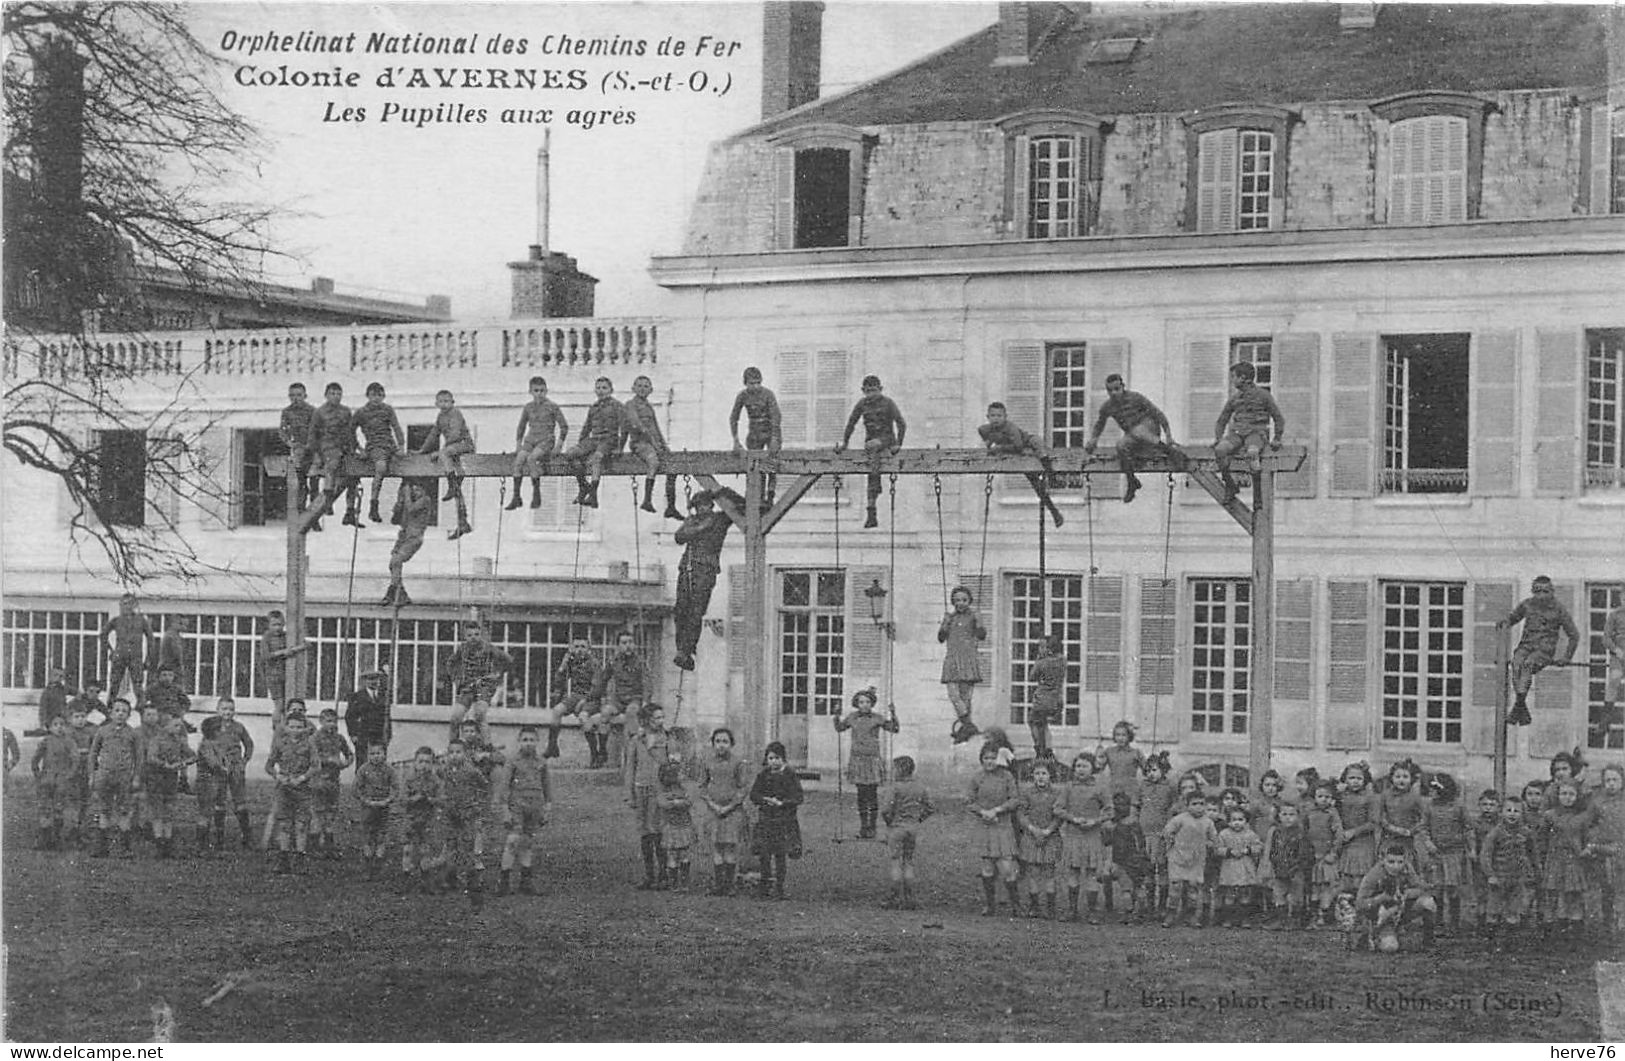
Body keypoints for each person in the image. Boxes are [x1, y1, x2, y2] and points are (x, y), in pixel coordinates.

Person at [1081, 373, 1181, 504]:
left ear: (1123, 387)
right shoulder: (1108, 406)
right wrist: (1093, 439)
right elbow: (1099, 424)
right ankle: (1132, 482)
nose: (1114, 393)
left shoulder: (1136, 398)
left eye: (1117, 389)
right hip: (1134, 437)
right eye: (1110, 390)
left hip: (1149, 430)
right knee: (1121, 446)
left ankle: (1169, 451)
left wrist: (1168, 436)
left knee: (1138, 431)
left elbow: (1158, 414)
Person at [1497, 575, 1581, 726]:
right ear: (1533, 591)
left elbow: (1574, 635)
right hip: (1526, 646)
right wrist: (1504, 622)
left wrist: (1567, 657)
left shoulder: (1559, 609)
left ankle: (1518, 707)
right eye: (1537, 591)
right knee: (1516, 664)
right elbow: (1513, 618)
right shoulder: (1527, 605)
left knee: (1528, 665)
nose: (1541, 595)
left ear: (1552, 592)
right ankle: (1521, 708)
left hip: (1544, 651)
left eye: (1545, 591)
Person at [672, 488, 740, 671]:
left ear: (711, 505)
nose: (703, 509)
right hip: (687, 568)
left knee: (695, 610)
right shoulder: (692, 522)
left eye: (706, 505)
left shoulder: (720, 519)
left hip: (706, 570)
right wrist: (699, 528)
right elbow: (679, 537)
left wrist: (723, 493)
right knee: (680, 610)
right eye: (699, 506)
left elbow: (742, 507)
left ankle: (685, 651)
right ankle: (682, 651)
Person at [834, 374, 907, 529]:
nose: (871, 394)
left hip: (886, 440)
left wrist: (898, 444)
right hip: (872, 444)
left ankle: (874, 497)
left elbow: (901, 423)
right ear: (863, 391)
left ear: (880, 389)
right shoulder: (862, 404)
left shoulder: (888, 403)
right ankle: (871, 509)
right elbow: (851, 423)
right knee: (871, 463)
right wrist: (845, 443)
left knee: (872, 447)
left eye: (874, 391)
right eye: (868, 391)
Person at [978, 400, 1064, 527]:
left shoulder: (1010, 428)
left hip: (1028, 446)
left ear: (1005, 417)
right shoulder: (984, 429)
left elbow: (1018, 446)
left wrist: (999, 448)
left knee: (1041, 453)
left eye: (999, 416)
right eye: (993, 416)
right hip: (1017, 455)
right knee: (1036, 485)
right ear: (988, 417)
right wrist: (991, 445)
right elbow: (987, 439)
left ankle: (1052, 477)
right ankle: (1054, 512)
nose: (996, 419)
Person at [1212, 360, 1286, 503]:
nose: (1232, 380)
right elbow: (1222, 420)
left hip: (1255, 434)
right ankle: (1230, 485)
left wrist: (1277, 438)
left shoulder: (1264, 395)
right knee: (1220, 450)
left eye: (1234, 377)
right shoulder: (1235, 398)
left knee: (1252, 453)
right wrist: (1218, 437)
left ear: (1244, 378)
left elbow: (1278, 418)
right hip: (1237, 434)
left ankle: (1257, 493)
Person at [832, 687, 899, 839]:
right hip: (857, 760)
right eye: (861, 702)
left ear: (872, 703)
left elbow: (894, 729)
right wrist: (836, 715)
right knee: (861, 795)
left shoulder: (877, 718)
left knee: (872, 795)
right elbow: (839, 728)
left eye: (868, 702)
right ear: (857, 703)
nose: (864, 705)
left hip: (872, 759)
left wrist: (893, 714)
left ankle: (872, 827)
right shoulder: (852, 718)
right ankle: (863, 827)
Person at [493, 726, 553, 897]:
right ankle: (504, 881)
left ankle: (525, 882)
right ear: (519, 742)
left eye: (532, 740)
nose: (528, 743)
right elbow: (504, 787)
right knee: (512, 840)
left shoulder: (541, 762)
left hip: (534, 806)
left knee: (527, 842)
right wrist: (505, 810)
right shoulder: (512, 761)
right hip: (516, 806)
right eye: (525, 740)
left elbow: (547, 787)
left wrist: (547, 807)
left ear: (537, 742)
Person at [967, 741, 1022, 918]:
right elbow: (969, 801)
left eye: (992, 758)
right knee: (987, 866)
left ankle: (1016, 904)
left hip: (1002, 825)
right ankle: (990, 905)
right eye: (986, 758)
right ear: (981, 759)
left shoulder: (1006, 776)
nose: (989, 762)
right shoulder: (977, 777)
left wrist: (998, 810)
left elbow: (1015, 799)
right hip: (985, 826)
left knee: (1007, 867)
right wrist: (983, 812)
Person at [1544, 779, 1600, 940]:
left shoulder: (1583, 817)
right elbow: (1542, 837)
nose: (1567, 797)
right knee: (1558, 896)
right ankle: (1559, 934)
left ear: (1577, 796)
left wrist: (1588, 848)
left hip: (1574, 861)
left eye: (1571, 794)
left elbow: (1591, 836)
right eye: (1563, 793)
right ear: (1557, 795)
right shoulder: (1550, 815)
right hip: (1555, 861)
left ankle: (1576, 935)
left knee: (1574, 897)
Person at [1420, 772, 1474, 936]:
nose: (1432, 792)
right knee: (1437, 887)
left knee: (1453, 888)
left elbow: (1468, 828)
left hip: (1454, 855)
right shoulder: (1429, 807)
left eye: (1435, 789)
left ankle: (1454, 923)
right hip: (1436, 854)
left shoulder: (1458, 807)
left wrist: (1470, 847)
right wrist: (1428, 842)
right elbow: (1423, 827)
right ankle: (1438, 921)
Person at [749, 740, 804, 900]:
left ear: (783, 759)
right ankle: (764, 885)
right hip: (766, 819)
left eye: (777, 758)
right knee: (765, 854)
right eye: (770, 758)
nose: (773, 762)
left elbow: (798, 797)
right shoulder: (763, 775)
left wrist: (783, 803)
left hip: (783, 821)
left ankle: (779, 887)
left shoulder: (790, 775)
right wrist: (765, 799)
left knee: (780, 854)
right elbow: (754, 794)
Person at [622, 374, 682, 520]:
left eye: (646, 386)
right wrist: (653, 443)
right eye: (640, 386)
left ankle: (671, 506)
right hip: (640, 443)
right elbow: (637, 425)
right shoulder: (630, 405)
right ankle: (647, 500)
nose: (642, 389)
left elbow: (655, 428)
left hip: (652, 443)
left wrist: (664, 446)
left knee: (672, 467)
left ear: (651, 390)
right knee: (653, 462)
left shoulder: (649, 407)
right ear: (633, 388)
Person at [265, 706, 318, 874]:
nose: (295, 730)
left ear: (305, 728)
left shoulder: (310, 744)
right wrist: (278, 776)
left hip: (302, 788)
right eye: (292, 727)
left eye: (299, 727)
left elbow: (316, 766)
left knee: (302, 824)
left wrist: (302, 778)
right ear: (286, 727)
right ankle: (283, 858)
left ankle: (300, 858)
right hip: (284, 787)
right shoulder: (280, 743)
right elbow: (269, 765)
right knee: (284, 824)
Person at [699, 727, 750, 897]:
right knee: (717, 847)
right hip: (713, 811)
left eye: (725, 742)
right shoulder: (707, 762)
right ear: (713, 744)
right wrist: (712, 804)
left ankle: (729, 884)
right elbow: (702, 786)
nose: (721, 745)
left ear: (731, 744)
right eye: (718, 741)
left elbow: (742, 788)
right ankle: (718, 884)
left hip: (732, 812)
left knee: (729, 847)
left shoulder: (738, 763)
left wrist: (729, 806)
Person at [1357, 844, 1438, 950]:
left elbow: (1421, 888)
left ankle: (1428, 941)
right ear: (1383, 860)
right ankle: (1373, 935)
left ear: (1405, 860)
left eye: (1400, 862)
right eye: (1391, 862)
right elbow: (1360, 904)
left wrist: (1407, 893)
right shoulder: (1374, 875)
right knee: (1390, 947)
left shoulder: (1407, 868)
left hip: (1401, 910)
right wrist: (1382, 898)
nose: (1396, 866)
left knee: (1428, 902)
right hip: (1380, 915)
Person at [506, 375, 569, 512]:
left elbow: (564, 426)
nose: (539, 394)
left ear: (546, 391)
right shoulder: (528, 407)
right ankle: (516, 497)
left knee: (531, 459)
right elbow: (521, 426)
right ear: (530, 392)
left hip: (546, 440)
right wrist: (518, 444)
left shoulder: (552, 406)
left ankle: (536, 494)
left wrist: (559, 445)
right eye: (536, 391)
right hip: (531, 439)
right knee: (519, 461)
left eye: (542, 390)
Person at [629, 701, 674, 889]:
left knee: (658, 830)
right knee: (644, 831)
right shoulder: (636, 740)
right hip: (641, 788)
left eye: (662, 717)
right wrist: (629, 794)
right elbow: (630, 767)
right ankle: (649, 875)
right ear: (647, 720)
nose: (661, 721)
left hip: (659, 789)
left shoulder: (667, 739)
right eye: (657, 718)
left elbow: (672, 765)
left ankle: (664, 875)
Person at [880, 754, 934, 911]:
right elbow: (930, 807)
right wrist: (918, 819)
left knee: (896, 861)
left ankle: (894, 897)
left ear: (900, 770)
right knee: (908, 861)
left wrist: (890, 822)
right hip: (912, 828)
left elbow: (885, 810)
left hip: (897, 828)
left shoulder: (894, 788)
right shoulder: (920, 787)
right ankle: (910, 898)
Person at [89, 699, 142, 858]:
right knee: (104, 809)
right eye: (117, 710)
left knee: (124, 810)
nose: (120, 714)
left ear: (128, 715)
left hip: (124, 776)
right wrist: (92, 774)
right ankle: (101, 847)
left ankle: (124, 848)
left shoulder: (133, 733)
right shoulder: (102, 731)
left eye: (124, 711)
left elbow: (139, 757)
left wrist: (136, 777)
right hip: (105, 775)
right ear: (111, 713)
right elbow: (93, 753)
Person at [440, 738, 491, 905]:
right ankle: (450, 877)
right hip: (450, 813)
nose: (454, 756)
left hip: (467, 813)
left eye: (458, 752)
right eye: (451, 752)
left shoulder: (471, 771)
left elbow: (484, 786)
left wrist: (477, 805)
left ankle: (472, 879)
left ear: (466, 754)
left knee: (467, 845)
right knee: (451, 845)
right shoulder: (445, 770)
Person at [420, 389, 475, 540]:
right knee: (458, 489)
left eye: (447, 401)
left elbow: (456, 434)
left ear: (452, 402)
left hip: (464, 445)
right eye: (441, 401)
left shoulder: (455, 414)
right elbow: (433, 435)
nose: (444, 404)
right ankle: (462, 521)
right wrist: (422, 451)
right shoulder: (440, 417)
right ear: (436, 403)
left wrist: (441, 451)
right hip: (453, 451)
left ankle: (451, 485)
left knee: (444, 455)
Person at [1480, 796, 1535, 947]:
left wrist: (1534, 871)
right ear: (1501, 812)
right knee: (1493, 911)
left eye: (1516, 811)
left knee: (1513, 910)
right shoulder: (1495, 833)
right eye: (1508, 810)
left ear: (1522, 813)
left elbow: (1532, 854)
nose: (1512, 814)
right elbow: (1485, 855)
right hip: (1498, 878)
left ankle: (1510, 943)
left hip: (1517, 878)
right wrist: (1490, 875)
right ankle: (1491, 942)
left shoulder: (1526, 833)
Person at [445, 621, 512, 743]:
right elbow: (450, 663)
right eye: (469, 635)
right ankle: (453, 745)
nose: (473, 638)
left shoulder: (489, 648)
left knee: (480, 714)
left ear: (480, 635)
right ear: (465, 637)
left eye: (476, 634)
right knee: (456, 717)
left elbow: (508, 660)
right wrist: (456, 678)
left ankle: (486, 745)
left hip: (484, 686)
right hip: (467, 687)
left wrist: (498, 674)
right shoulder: (462, 649)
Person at [306, 381, 362, 529]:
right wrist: (317, 453)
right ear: (326, 395)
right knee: (332, 465)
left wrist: (356, 448)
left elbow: (351, 433)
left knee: (354, 474)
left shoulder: (345, 411)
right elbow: (313, 435)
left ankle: (350, 511)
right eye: (332, 393)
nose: (336, 397)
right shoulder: (319, 412)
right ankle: (328, 502)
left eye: (338, 394)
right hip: (328, 446)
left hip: (344, 447)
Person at [1161, 791, 1219, 928]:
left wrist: (1209, 844)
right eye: (1194, 804)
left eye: (1201, 804)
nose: (1198, 807)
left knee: (1193, 888)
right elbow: (1167, 831)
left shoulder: (1208, 822)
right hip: (1178, 858)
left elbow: (1214, 839)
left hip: (1196, 860)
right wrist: (1171, 843)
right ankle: (1171, 914)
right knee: (1175, 888)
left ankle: (1191, 915)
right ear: (1187, 805)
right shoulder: (1180, 819)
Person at [592, 630, 647, 772]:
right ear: (618, 646)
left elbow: (647, 683)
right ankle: (602, 751)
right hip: (618, 700)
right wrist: (599, 697)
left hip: (635, 699)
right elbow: (603, 680)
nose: (628, 646)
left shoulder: (640, 662)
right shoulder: (613, 661)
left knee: (631, 713)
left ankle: (633, 755)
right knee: (605, 713)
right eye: (624, 643)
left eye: (630, 642)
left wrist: (646, 702)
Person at [938, 586, 986, 745]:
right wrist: (944, 624)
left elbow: (981, 635)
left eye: (964, 600)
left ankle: (965, 729)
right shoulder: (950, 617)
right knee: (953, 694)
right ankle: (968, 724)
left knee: (966, 698)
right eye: (957, 600)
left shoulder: (973, 616)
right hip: (952, 658)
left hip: (967, 659)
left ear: (969, 601)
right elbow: (941, 638)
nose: (961, 603)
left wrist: (979, 622)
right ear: (953, 601)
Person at [567, 376, 624, 509]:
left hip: (609, 440)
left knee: (596, 458)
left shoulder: (617, 406)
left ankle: (593, 495)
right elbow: (586, 427)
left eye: (604, 388)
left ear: (611, 390)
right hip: (594, 440)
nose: (601, 391)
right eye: (598, 388)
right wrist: (581, 446)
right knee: (571, 454)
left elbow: (625, 428)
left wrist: (619, 447)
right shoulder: (593, 407)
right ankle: (583, 486)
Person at [1016, 759, 1063, 919]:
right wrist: (1032, 829)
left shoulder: (1057, 793)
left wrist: (1048, 830)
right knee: (1033, 872)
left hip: (1051, 836)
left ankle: (1050, 908)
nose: (1040, 777)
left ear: (1051, 775)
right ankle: (1034, 906)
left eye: (1044, 773)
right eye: (1037, 773)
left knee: (1049, 872)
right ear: (1032, 775)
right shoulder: (1027, 793)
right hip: (1031, 836)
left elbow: (1059, 816)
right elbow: (1021, 814)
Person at [353, 382, 406, 524]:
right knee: (381, 467)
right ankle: (373, 505)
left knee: (407, 469)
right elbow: (349, 432)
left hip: (390, 446)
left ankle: (399, 509)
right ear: (367, 396)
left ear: (383, 396)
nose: (376, 398)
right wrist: (359, 449)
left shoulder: (387, 410)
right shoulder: (361, 412)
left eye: (379, 395)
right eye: (372, 395)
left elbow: (396, 427)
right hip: (375, 447)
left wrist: (401, 446)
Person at [729, 366, 782, 502]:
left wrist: (775, 438)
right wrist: (736, 441)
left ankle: (770, 494)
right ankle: (756, 495)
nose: (756, 386)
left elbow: (776, 416)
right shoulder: (742, 396)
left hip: (770, 430)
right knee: (754, 463)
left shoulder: (768, 394)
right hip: (755, 431)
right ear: (745, 383)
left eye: (758, 382)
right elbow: (734, 417)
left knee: (771, 462)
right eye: (752, 383)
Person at [382, 479, 436, 608]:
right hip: (405, 535)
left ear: (424, 490)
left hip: (414, 537)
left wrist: (406, 495)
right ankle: (402, 594)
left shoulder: (425, 500)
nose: (415, 493)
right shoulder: (410, 502)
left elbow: (412, 509)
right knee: (392, 564)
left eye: (418, 490)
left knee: (397, 561)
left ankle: (392, 591)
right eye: (414, 490)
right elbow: (400, 519)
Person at [397, 745, 443, 895]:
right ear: (415, 763)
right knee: (408, 849)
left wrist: (430, 799)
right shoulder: (409, 779)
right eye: (421, 761)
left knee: (425, 849)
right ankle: (406, 877)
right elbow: (402, 799)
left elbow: (441, 799)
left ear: (432, 764)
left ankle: (426, 880)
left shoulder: (435, 780)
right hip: (411, 818)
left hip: (427, 819)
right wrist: (413, 798)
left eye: (427, 762)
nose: (424, 765)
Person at [1137, 752, 1177, 920]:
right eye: (1147, 770)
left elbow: (1173, 809)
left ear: (1163, 770)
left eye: (1154, 770)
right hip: (1145, 833)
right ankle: (1149, 905)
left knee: (1161, 868)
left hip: (1160, 834)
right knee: (1147, 870)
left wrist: (1168, 828)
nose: (1150, 774)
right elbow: (1137, 805)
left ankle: (1162, 905)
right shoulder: (1143, 786)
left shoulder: (1169, 787)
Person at [311, 708, 354, 860]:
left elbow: (349, 754)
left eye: (334, 721)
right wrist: (328, 760)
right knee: (318, 812)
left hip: (334, 780)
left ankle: (329, 845)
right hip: (318, 780)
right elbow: (312, 758)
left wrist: (345, 763)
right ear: (321, 722)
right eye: (328, 721)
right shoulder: (315, 738)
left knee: (331, 812)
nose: (331, 724)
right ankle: (314, 845)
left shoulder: (339, 738)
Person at [548, 638, 600, 761]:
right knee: (557, 711)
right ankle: (552, 746)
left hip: (591, 698)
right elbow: (558, 683)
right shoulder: (572, 662)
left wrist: (584, 701)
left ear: (589, 650)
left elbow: (597, 688)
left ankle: (594, 754)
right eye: (576, 647)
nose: (579, 650)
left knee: (583, 717)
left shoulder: (594, 664)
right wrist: (563, 665)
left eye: (583, 647)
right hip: (576, 696)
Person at [1260, 801, 1309, 930]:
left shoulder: (1300, 833)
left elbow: (1304, 853)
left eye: (1292, 814)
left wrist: (1297, 865)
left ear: (1298, 816)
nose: (1288, 817)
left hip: (1295, 870)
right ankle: (1280, 920)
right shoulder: (1276, 832)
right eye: (1284, 814)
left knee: (1296, 896)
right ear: (1279, 816)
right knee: (1279, 894)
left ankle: (1294, 920)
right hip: (1279, 869)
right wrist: (1274, 864)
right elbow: (1272, 850)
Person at [1105, 790, 1153, 922]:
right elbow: (1140, 844)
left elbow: (1107, 842)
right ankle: (1137, 912)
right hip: (1128, 861)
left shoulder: (1122, 825)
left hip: (1128, 860)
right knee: (1135, 887)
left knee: (1129, 888)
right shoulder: (1128, 824)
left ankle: (1131, 912)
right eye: (1118, 805)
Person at [1303, 781, 1345, 928]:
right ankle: (1314, 916)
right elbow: (1304, 832)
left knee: (1327, 886)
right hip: (1312, 856)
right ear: (1314, 797)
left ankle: (1326, 914)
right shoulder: (1309, 812)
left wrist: (1333, 853)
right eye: (1320, 796)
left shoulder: (1332, 813)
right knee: (1314, 887)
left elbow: (1339, 835)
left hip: (1326, 856)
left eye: (1328, 796)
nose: (1324, 799)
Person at [354, 742, 398, 881]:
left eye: (378, 753)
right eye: (372, 754)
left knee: (381, 835)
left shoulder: (389, 770)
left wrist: (388, 800)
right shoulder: (363, 769)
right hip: (368, 807)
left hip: (383, 807)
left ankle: (378, 865)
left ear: (384, 754)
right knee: (367, 835)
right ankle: (367, 865)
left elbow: (396, 788)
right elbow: (356, 789)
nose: (375, 757)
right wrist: (366, 800)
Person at [32, 714, 77, 849]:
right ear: (50, 727)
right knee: (45, 807)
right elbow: (35, 759)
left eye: (61, 724)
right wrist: (38, 774)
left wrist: (70, 775)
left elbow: (75, 760)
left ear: (66, 726)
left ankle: (56, 838)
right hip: (47, 779)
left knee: (59, 807)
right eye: (55, 725)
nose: (59, 728)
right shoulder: (46, 741)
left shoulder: (69, 742)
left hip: (62, 781)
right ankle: (44, 838)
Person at [215, 698, 256, 847]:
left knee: (239, 800)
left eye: (230, 709)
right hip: (219, 768)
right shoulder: (212, 727)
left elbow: (249, 744)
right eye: (224, 709)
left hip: (236, 768)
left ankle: (246, 835)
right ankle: (219, 836)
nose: (227, 712)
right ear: (217, 710)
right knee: (219, 800)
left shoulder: (239, 727)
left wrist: (244, 761)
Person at [1213, 807, 1263, 928]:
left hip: (1245, 867)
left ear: (1246, 821)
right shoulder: (1224, 834)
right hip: (1230, 867)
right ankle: (1228, 918)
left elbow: (1259, 846)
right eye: (1233, 819)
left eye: (1240, 819)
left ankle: (1244, 918)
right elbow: (1217, 849)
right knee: (1230, 894)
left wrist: (1248, 850)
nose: (1237, 822)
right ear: (1228, 821)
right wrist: (1229, 852)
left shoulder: (1250, 834)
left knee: (1245, 894)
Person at [1336, 762, 1380, 892]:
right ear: (1345, 779)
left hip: (1363, 842)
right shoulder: (1341, 797)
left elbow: (1373, 822)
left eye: (1359, 778)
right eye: (1351, 778)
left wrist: (1354, 832)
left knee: (1360, 880)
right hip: (1345, 842)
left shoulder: (1370, 798)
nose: (1355, 782)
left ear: (1365, 780)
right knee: (1344, 878)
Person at [102, 593, 153, 705]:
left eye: (130, 603)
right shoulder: (116, 620)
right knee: (114, 683)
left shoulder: (141, 620)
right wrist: (111, 651)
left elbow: (151, 639)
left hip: (136, 657)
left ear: (134, 605)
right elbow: (102, 634)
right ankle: (110, 707)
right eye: (124, 604)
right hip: (120, 655)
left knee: (138, 684)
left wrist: (148, 657)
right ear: (120, 605)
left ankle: (141, 708)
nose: (127, 606)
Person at [258, 609, 306, 726]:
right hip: (273, 676)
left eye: (280, 624)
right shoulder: (266, 638)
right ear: (269, 625)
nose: (277, 628)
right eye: (274, 625)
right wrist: (283, 652)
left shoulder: (286, 636)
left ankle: (286, 727)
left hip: (286, 674)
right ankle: (276, 729)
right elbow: (266, 656)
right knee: (279, 705)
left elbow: (294, 647)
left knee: (287, 704)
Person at [192, 715, 231, 856]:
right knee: (206, 812)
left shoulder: (219, 744)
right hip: (207, 781)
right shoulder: (206, 744)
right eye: (221, 728)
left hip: (219, 781)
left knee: (220, 810)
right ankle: (201, 846)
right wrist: (224, 768)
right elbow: (213, 763)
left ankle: (219, 845)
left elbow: (225, 760)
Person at [1378, 759, 1427, 867]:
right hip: (1388, 837)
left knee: (1406, 864)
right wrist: (1391, 827)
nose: (1401, 780)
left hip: (1406, 838)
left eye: (1405, 777)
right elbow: (1380, 816)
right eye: (1397, 777)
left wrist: (1411, 830)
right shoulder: (1385, 795)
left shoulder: (1415, 797)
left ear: (1411, 779)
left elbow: (1424, 818)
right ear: (1391, 778)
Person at [656, 760, 696, 890]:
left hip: (684, 826)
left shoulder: (683, 789)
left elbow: (689, 801)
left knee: (684, 853)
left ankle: (684, 882)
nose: (683, 775)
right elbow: (664, 804)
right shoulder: (663, 791)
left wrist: (676, 802)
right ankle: (674, 882)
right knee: (672, 854)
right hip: (671, 827)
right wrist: (678, 802)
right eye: (680, 773)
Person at [344, 668, 393, 773]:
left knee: (379, 763)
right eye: (370, 679)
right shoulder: (357, 696)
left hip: (379, 735)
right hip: (363, 735)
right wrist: (353, 734)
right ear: (365, 681)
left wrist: (388, 735)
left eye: (375, 679)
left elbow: (387, 717)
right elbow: (349, 717)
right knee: (363, 763)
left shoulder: (384, 696)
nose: (373, 682)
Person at [280, 381, 319, 513]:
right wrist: (290, 443)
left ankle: (314, 515)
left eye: (299, 395)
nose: (296, 398)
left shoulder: (312, 411)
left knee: (314, 484)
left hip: (312, 451)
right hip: (298, 451)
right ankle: (301, 512)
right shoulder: (287, 412)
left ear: (305, 395)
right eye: (292, 395)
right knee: (300, 484)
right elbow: (283, 431)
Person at [1027, 634, 1066, 760]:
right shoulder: (1062, 660)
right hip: (1056, 699)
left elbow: (1031, 676)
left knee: (1033, 722)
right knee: (1044, 724)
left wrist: (1038, 660)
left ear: (1048, 649)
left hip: (1042, 699)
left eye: (1041, 646)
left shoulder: (1042, 662)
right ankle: (1048, 749)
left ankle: (1039, 748)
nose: (1039, 649)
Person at [1096, 720, 1146, 808]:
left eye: (1124, 735)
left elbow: (1146, 770)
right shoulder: (1109, 751)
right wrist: (1099, 756)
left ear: (1129, 736)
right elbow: (1099, 768)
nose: (1120, 738)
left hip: (1131, 790)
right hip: (1114, 790)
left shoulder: (1136, 753)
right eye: (1117, 735)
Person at [65, 705, 96, 845]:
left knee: (86, 801)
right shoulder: (68, 733)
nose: (80, 720)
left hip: (86, 769)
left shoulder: (89, 733)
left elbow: (94, 751)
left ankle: (82, 829)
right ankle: (72, 830)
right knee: (73, 801)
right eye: (76, 717)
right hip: (72, 770)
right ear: (70, 719)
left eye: (83, 716)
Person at [1603, 599, 1625, 720]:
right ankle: (1605, 720)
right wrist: (1616, 650)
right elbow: (1605, 638)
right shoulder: (1614, 615)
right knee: (1615, 678)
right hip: (1618, 656)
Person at [36, 666, 70, 733]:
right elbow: (43, 709)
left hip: (63, 720)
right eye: (55, 675)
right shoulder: (47, 692)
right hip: (51, 722)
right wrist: (43, 723)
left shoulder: (62, 689)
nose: (58, 678)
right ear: (50, 676)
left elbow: (75, 692)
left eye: (61, 676)